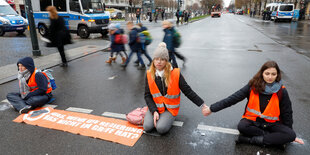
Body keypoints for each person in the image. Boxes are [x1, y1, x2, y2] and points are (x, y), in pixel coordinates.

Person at [203, 61, 304, 147]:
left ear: (277, 75)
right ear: (262, 73)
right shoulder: (252, 86)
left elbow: (287, 113)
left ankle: (249, 140)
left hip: (271, 124)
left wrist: (289, 133)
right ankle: (271, 139)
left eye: (273, 74)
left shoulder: (282, 91)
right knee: (241, 127)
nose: (270, 77)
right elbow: (232, 99)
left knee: (290, 135)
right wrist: (211, 109)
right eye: (267, 73)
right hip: (253, 122)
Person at [143, 42, 207, 134]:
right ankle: (156, 115)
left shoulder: (175, 73)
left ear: (166, 61)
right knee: (147, 127)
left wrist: (202, 104)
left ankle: (168, 118)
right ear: (153, 60)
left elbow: (187, 91)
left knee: (161, 129)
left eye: (162, 59)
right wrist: (154, 111)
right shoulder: (149, 74)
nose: (159, 62)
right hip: (156, 106)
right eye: (156, 59)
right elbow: (147, 95)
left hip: (170, 109)